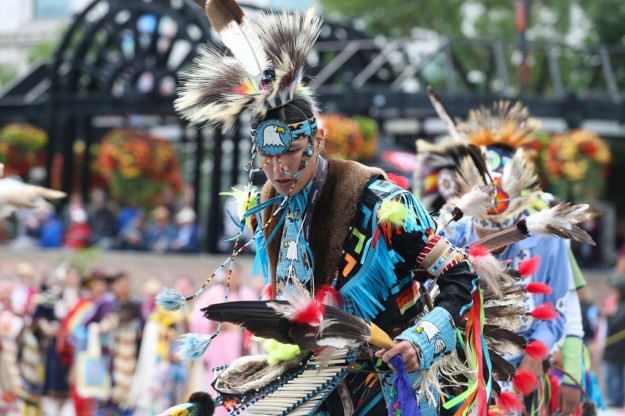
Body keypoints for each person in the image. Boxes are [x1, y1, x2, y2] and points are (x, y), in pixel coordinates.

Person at [166, 4, 486, 415]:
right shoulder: (269, 207)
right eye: (266, 156)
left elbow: (461, 274)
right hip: (318, 378)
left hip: (395, 382)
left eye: (292, 153)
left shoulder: (380, 203)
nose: (278, 169)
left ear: (317, 140)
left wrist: (422, 342)